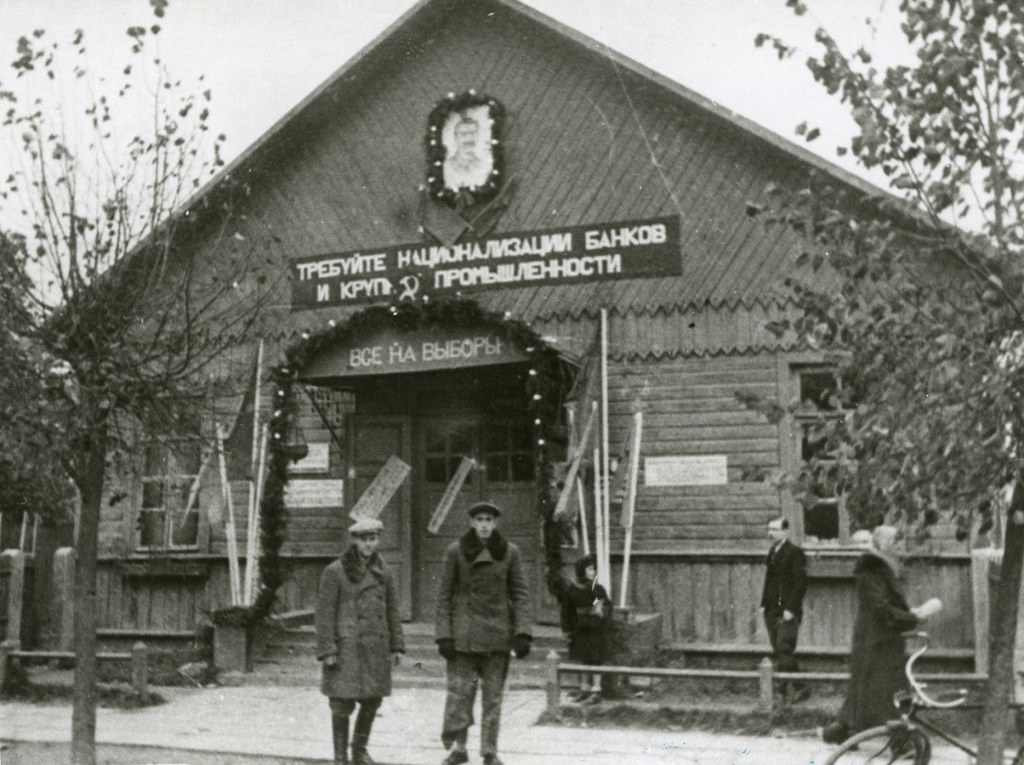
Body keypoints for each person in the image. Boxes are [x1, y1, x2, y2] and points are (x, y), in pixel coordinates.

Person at [823, 525, 943, 744]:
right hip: (876, 640)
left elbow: (887, 605)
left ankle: (840, 733)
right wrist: (915, 617)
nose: (896, 547)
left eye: (897, 541)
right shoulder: (871, 569)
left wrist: (911, 613)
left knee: (868, 691)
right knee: (889, 693)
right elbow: (881, 608)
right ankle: (900, 742)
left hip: (881, 638)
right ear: (880, 544)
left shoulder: (882, 567)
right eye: (892, 541)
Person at [435, 501, 532, 765]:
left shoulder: (510, 552)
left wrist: (522, 632)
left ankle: (490, 751)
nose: (484, 524)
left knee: (493, 698)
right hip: (464, 636)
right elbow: (443, 597)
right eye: (479, 520)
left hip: (497, 636)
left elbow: (520, 595)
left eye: (489, 519)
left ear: (495, 523)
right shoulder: (455, 551)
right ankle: (459, 748)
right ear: (471, 523)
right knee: (460, 696)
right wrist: (444, 634)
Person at [315, 517, 404, 765]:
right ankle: (341, 757)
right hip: (346, 648)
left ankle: (359, 750)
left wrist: (396, 646)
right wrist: (327, 649)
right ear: (354, 540)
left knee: (372, 700)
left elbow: (392, 611)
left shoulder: (384, 571)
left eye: (372, 538)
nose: (368, 544)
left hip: (376, 647)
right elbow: (324, 614)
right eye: (363, 539)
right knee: (341, 703)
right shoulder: (335, 571)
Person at [759, 516, 809, 703]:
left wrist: (791, 608)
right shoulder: (773, 551)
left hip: (787, 610)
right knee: (781, 651)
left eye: (775, 529)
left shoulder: (795, 553)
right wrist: (763, 605)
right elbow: (769, 581)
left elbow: (800, 583)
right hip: (771, 609)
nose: (771, 533)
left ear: (785, 531)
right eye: (769, 529)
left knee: (784, 648)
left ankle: (781, 691)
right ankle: (800, 688)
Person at [557, 553, 613, 704]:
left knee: (596, 660)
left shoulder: (596, 588)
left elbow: (605, 603)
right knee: (583, 659)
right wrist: (566, 630)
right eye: (589, 569)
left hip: (595, 630)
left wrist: (602, 609)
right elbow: (566, 612)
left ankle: (596, 690)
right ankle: (585, 688)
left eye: (593, 569)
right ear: (581, 571)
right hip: (579, 630)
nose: (592, 572)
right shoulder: (571, 590)